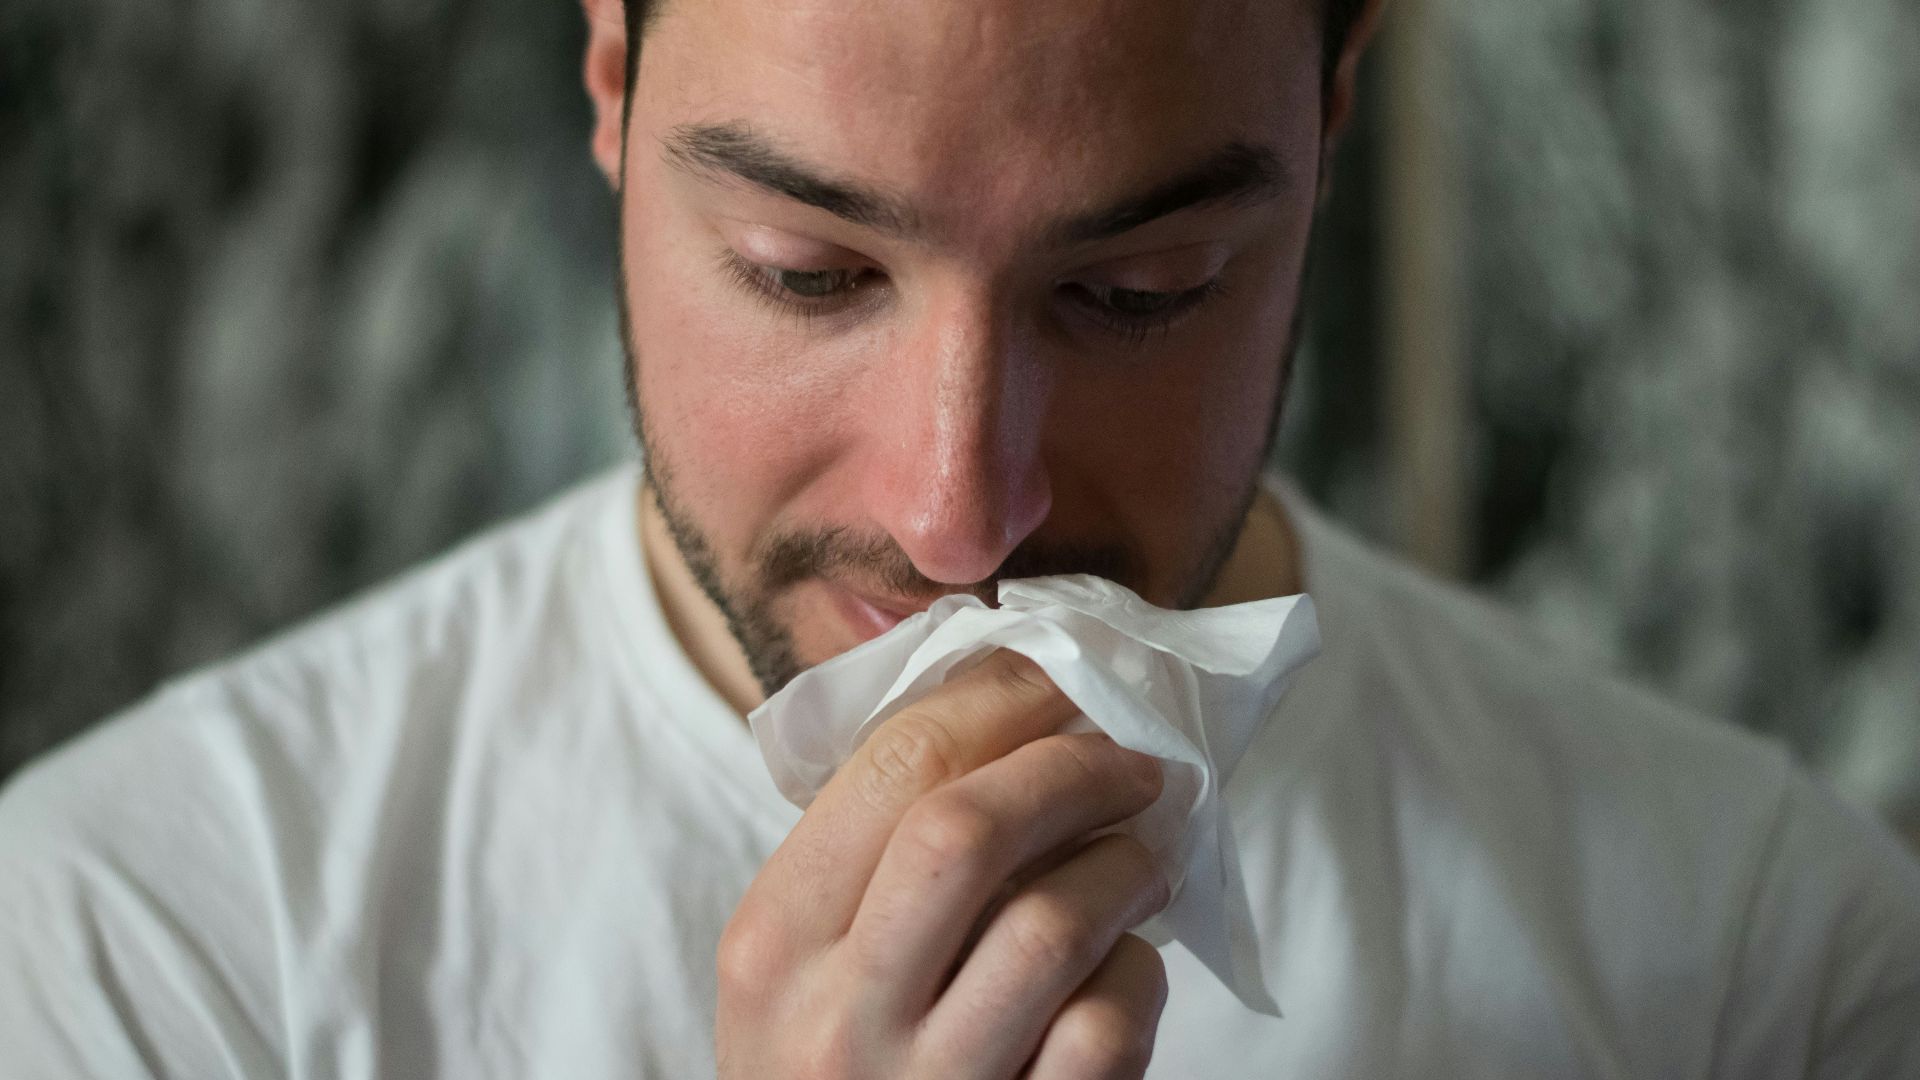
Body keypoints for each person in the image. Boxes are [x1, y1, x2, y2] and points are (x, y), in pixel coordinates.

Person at [2, 0, 1917, 1075]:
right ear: (611, 87)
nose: (958, 515)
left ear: (1332, 127)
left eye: (1141, 291)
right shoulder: (151, 955)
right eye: (808, 271)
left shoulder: (1760, 963)